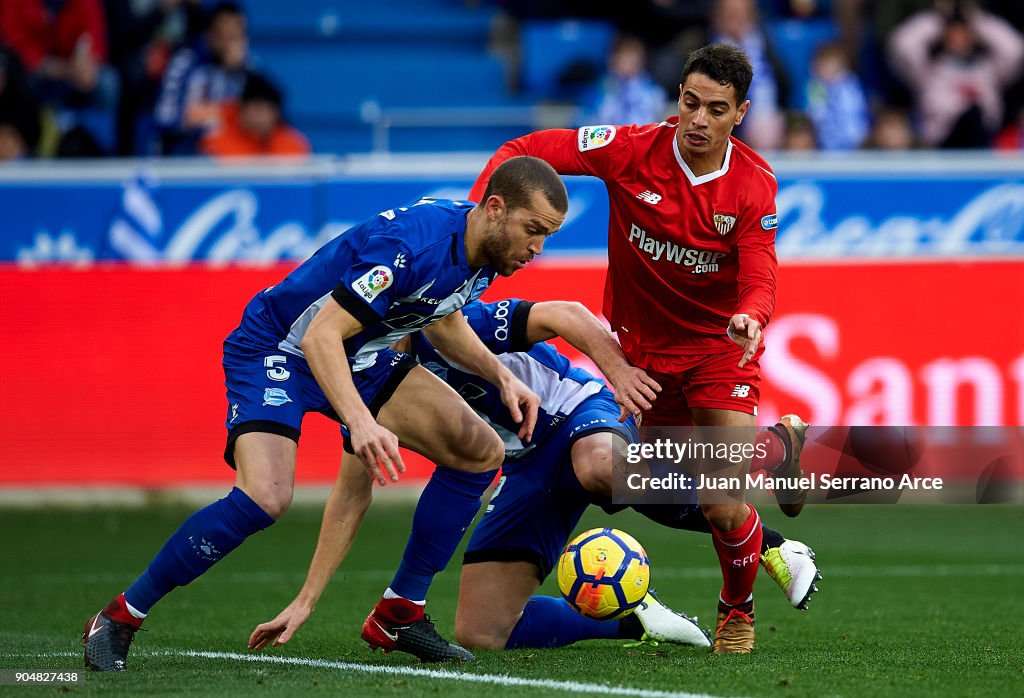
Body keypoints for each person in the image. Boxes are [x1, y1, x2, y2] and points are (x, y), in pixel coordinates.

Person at [81, 156, 568, 671]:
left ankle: (401, 612)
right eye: (533, 231)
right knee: (265, 497)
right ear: (495, 209)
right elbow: (321, 335)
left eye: (547, 236)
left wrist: (502, 376)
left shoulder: (484, 252)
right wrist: (360, 421)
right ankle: (119, 617)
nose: (538, 249)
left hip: (359, 354)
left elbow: (439, 317)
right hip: (278, 349)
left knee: (480, 450)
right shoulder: (410, 245)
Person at [469, 43, 808, 654]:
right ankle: (775, 451)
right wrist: (480, 216)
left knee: (722, 502)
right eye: (690, 102)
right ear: (677, 97)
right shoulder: (629, 148)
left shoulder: (754, 185)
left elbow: (761, 270)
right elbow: (525, 152)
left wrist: (751, 317)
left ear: (741, 113)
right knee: (639, 488)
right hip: (641, 356)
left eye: (716, 109)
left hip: (717, 349)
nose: (699, 119)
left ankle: (736, 612)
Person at [247, 299, 821, 654]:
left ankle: (768, 481)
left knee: (601, 469)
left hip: (577, 414)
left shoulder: (451, 325)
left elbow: (564, 313)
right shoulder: (368, 393)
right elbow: (350, 496)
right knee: (481, 632)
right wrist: (307, 598)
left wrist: (617, 370)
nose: (363, 354)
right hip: (523, 467)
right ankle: (638, 617)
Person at [887, 0, 1024, 148]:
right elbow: (902, 45)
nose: (957, 39)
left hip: (982, 143)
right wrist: (939, 18)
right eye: (952, 33)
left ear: (973, 35)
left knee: (974, 115)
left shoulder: (989, 70)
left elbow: (1014, 49)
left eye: (963, 33)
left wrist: (976, 19)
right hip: (941, 144)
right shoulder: (928, 70)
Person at [154, 1, 249, 154]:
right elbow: (167, 118)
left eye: (234, 36)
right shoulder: (185, 64)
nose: (228, 44)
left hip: (233, 158)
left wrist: (235, 73)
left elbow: (260, 120)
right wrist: (225, 115)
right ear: (209, 34)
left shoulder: (250, 70)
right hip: (186, 154)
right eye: (222, 35)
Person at [199, 71, 310, 160]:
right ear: (241, 109)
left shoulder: (292, 144)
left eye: (267, 111)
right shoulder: (216, 141)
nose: (260, 117)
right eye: (256, 109)